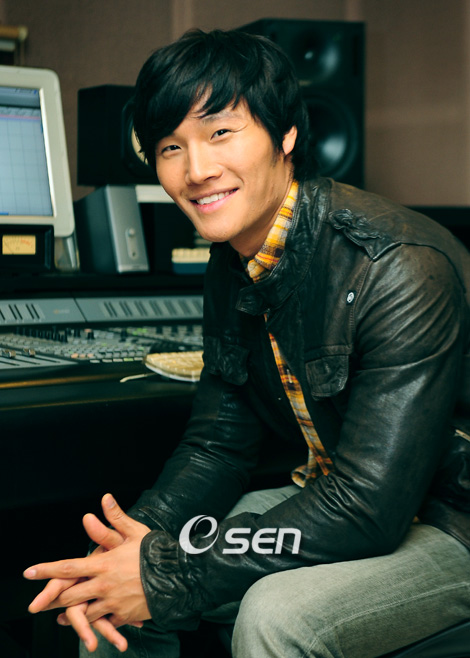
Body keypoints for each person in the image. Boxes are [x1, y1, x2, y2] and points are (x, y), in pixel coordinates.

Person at [24, 28, 470, 658]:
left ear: (286, 135)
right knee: (110, 583)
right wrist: (139, 541)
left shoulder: (396, 265)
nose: (196, 170)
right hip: (340, 493)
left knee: (275, 616)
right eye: (171, 147)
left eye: (220, 133)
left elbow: (368, 508)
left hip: (449, 519)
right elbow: (218, 444)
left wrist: (169, 573)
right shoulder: (233, 258)